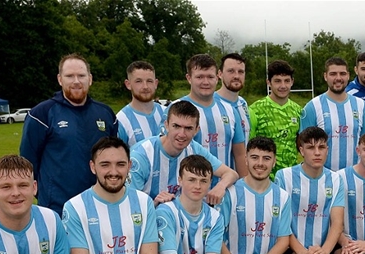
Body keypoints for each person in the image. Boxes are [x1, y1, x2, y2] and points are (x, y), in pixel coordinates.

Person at [20, 53, 118, 216]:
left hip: (101, 205)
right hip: (57, 209)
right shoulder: (41, 115)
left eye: (81, 75)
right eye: (69, 76)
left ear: (90, 78)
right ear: (60, 79)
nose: (76, 81)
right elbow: (27, 163)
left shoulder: (106, 114)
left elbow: (115, 157)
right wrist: (44, 194)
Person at [128, 100, 239, 205]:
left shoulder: (194, 149)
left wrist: (220, 187)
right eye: (176, 126)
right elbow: (131, 206)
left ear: (196, 130)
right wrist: (156, 204)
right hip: (150, 219)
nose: (181, 134)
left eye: (188, 128)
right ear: (166, 125)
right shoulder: (141, 155)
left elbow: (231, 174)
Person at [300, 57, 365, 171]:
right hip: (323, 178)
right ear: (325, 76)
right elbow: (305, 147)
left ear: (348, 76)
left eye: (342, 74)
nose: (338, 78)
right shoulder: (313, 107)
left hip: (355, 177)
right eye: (333, 74)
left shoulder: (362, 106)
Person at [181, 54, 248, 178]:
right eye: (200, 77)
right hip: (188, 192)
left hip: (225, 190)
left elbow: (240, 155)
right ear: (189, 78)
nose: (205, 82)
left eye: (210, 77)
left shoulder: (230, 110)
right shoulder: (176, 109)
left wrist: (244, 187)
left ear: (217, 77)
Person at [249, 60, 303, 176]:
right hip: (263, 178)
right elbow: (247, 148)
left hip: (291, 178)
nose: (283, 86)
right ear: (269, 82)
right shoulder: (255, 110)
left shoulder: (298, 111)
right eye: (277, 81)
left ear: (292, 82)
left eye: (287, 81)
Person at [116, 61, 166, 147]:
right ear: (128, 84)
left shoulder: (167, 113)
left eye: (149, 81)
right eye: (138, 81)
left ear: (156, 83)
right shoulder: (121, 120)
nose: (145, 86)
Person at [217, 53, 251, 153]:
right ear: (220, 74)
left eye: (240, 72)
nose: (236, 76)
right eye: (231, 71)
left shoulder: (243, 103)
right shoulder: (211, 103)